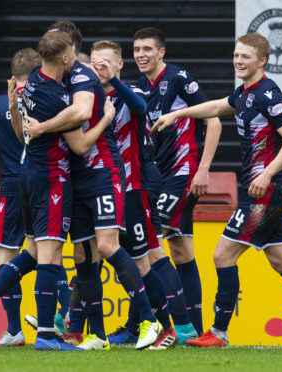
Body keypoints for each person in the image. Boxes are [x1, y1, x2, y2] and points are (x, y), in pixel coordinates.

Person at [152, 32, 282, 347]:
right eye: (236, 55)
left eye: (246, 57)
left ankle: (219, 334)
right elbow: (214, 107)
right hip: (261, 190)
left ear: (262, 61)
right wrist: (178, 113)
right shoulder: (244, 93)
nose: (238, 61)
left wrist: (266, 174)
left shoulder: (267, 94)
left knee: (223, 255)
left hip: (264, 191)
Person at [24, 22, 162, 351]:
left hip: (103, 172)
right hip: (75, 177)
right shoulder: (50, 79)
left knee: (108, 246)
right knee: (85, 256)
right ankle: (96, 335)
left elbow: (84, 115)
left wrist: (41, 127)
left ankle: (150, 320)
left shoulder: (83, 77)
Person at [8, 31, 116, 351]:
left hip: (31, 175)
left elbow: (21, 132)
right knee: (50, 255)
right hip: (53, 178)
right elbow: (81, 136)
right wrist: (106, 118)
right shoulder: (57, 96)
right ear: (67, 58)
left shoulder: (32, 85)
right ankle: (45, 335)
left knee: (42, 253)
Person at [132, 27, 222, 336]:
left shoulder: (180, 78)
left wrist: (203, 169)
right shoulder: (139, 87)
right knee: (181, 250)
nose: (141, 54)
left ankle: (143, 325)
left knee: (148, 241)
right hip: (159, 175)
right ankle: (195, 330)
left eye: (147, 49)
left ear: (161, 52)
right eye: (137, 50)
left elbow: (214, 121)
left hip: (184, 172)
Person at [90, 40, 180, 350]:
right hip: (99, 189)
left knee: (143, 261)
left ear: (118, 65)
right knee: (105, 257)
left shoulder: (132, 94)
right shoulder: (85, 97)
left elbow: (141, 109)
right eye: (93, 62)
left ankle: (166, 327)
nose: (98, 67)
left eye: (104, 62)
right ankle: (112, 328)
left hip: (130, 189)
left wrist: (112, 81)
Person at [0, 48, 42, 346]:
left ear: (12, 76)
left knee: (6, 255)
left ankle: (15, 329)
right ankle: (59, 321)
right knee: (47, 252)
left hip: (12, 186)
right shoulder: (48, 98)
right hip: (45, 183)